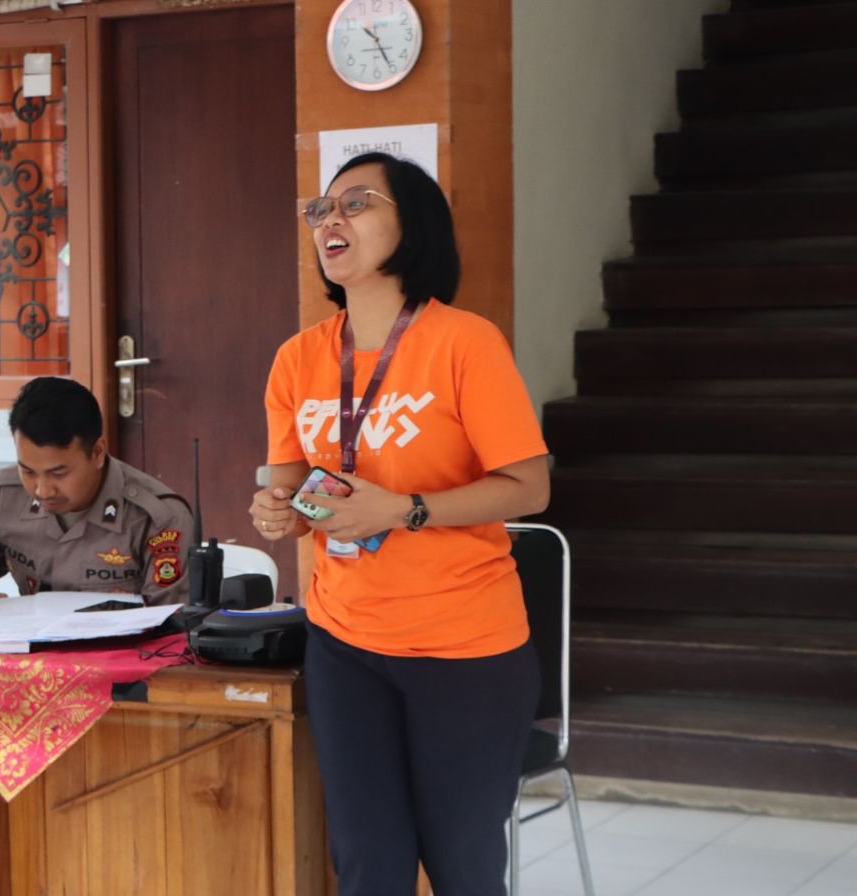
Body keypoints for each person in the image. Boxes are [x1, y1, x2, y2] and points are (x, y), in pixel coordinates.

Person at [249, 152, 550, 896]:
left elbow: (530, 488)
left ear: (411, 225)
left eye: (356, 203)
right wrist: (279, 512)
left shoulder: (465, 342)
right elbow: (293, 491)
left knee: (462, 868)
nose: (331, 220)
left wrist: (404, 510)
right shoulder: (297, 359)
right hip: (345, 642)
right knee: (368, 865)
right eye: (321, 209)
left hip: (465, 648)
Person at [0, 376, 194, 606]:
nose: (43, 490)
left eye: (58, 473)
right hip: (24, 639)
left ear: (97, 453)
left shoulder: (157, 518)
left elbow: (170, 624)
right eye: (28, 471)